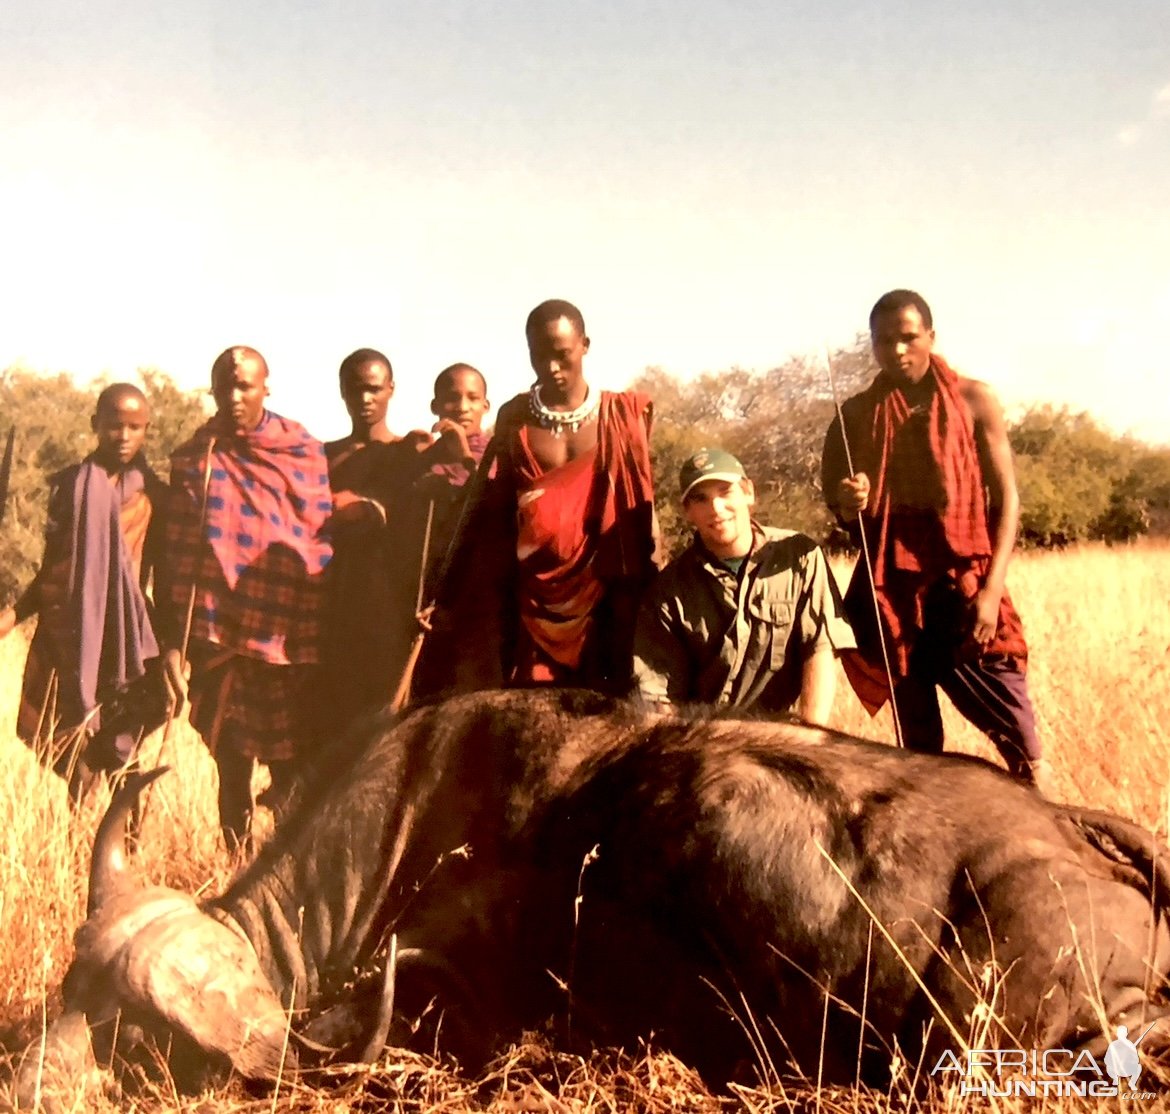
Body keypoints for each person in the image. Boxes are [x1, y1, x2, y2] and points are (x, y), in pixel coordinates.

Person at [821, 289, 1047, 788]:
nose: (897, 351)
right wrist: (850, 500)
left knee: (1022, 742)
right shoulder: (856, 415)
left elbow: (1007, 498)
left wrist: (990, 594)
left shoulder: (973, 399)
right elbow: (838, 507)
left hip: (965, 588)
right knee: (918, 751)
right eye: (884, 342)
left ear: (931, 337)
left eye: (908, 338)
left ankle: (1055, 840)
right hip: (895, 597)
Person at [167, 346, 332, 852]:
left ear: (266, 388)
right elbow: (178, 551)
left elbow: (317, 538)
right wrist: (177, 638)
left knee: (289, 763)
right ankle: (233, 867)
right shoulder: (199, 456)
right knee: (230, 760)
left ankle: (286, 870)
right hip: (217, 634)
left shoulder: (301, 451)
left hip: (282, 634)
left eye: (245, 386)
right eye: (224, 386)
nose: (234, 396)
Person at [457, 299, 659, 692]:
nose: (551, 367)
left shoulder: (623, 416)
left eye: (562, 354)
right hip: (533, 606)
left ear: (585, 345)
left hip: (609, 602)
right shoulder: (515, 417)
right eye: (539, 355)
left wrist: (652, 593)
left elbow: (642, 512)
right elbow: (496, 515)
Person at [0, 384, 170, 802]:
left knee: (119, 751)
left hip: (127, 643)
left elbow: (165, 580)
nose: (124, 436)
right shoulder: (71, 489)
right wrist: (13, 615)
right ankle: (78, 850)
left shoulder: (156, 497)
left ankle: (124, 848)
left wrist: (170, 649)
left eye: (134, 427)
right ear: (96, 425)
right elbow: (54, 569)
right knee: (74, 747)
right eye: (114, 425)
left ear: (147, 429)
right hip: (69, 637)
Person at [633, 449, 854, 723]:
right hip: (706, 743)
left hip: (785, 737)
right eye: (701, 499)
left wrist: (811, 735)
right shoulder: (668, 591)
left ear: (748, 492)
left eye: (725, 492)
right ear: (687, 511)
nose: (716, 509)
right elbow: (661, 698)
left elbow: (820, 648)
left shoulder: (799, 556)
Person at [410, 363, 495, 698]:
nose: (462, 406)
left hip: (476, 604)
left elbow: (488, 500)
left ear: (486, 406)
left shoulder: (495, 453)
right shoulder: (423, 457)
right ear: (435, 406)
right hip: (424, 609)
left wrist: (463, 454)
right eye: (451, 398)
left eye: (473, 398)